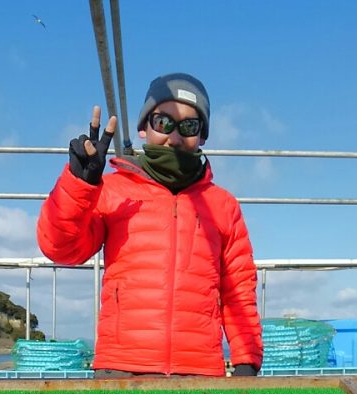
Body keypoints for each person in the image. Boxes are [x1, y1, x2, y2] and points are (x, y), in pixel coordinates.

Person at [37, 72, 263, 377]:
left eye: (189, 126)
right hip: (120, 369)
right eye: (163, 122)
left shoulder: (224, 205)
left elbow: (239, 293)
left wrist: (246, 361)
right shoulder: (111, 190)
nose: (174, 136)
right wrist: (79, 183)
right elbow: (60, 248)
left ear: (203, 136)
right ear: (144, 128)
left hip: (199, 372)